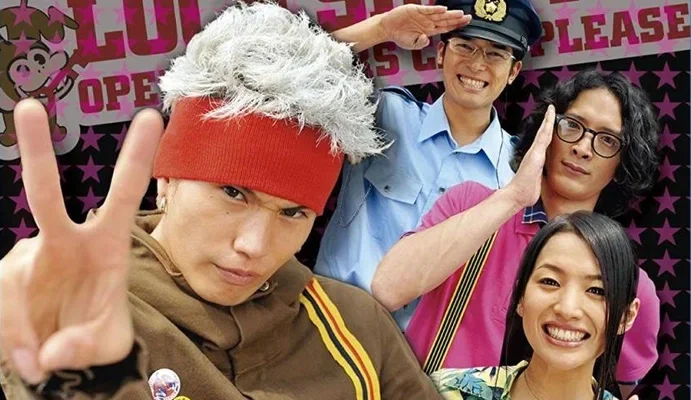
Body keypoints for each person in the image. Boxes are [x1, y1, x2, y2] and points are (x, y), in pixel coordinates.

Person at [0, 3, 465, 399]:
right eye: (233, 193)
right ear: (167, 179)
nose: (254, 246)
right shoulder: (72, 310)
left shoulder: (355, 326)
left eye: (292, 212)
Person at [372, 70, 660, 397]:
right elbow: (387, 289)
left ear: (623, 164)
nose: (583, 148)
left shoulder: (628, 281)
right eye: (572, 126)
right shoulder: (471, 205)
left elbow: (617, 384)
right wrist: (513, 197)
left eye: (607, 140)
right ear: (547, 130)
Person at [317, 0, 543, 329]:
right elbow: (294, 70)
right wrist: (381, 29)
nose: (477, 64)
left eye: (495, 54)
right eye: (465, 46)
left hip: (422, 355)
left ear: (513, 72)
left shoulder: (519, 176)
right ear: (440, 54)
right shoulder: (384, 115)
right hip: (328, 325)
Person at [431, 212, 641, 400]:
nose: (567, 309)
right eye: (550, 281)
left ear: (627, 316)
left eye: (597, 290)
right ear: (520, 296)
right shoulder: (446, 391)